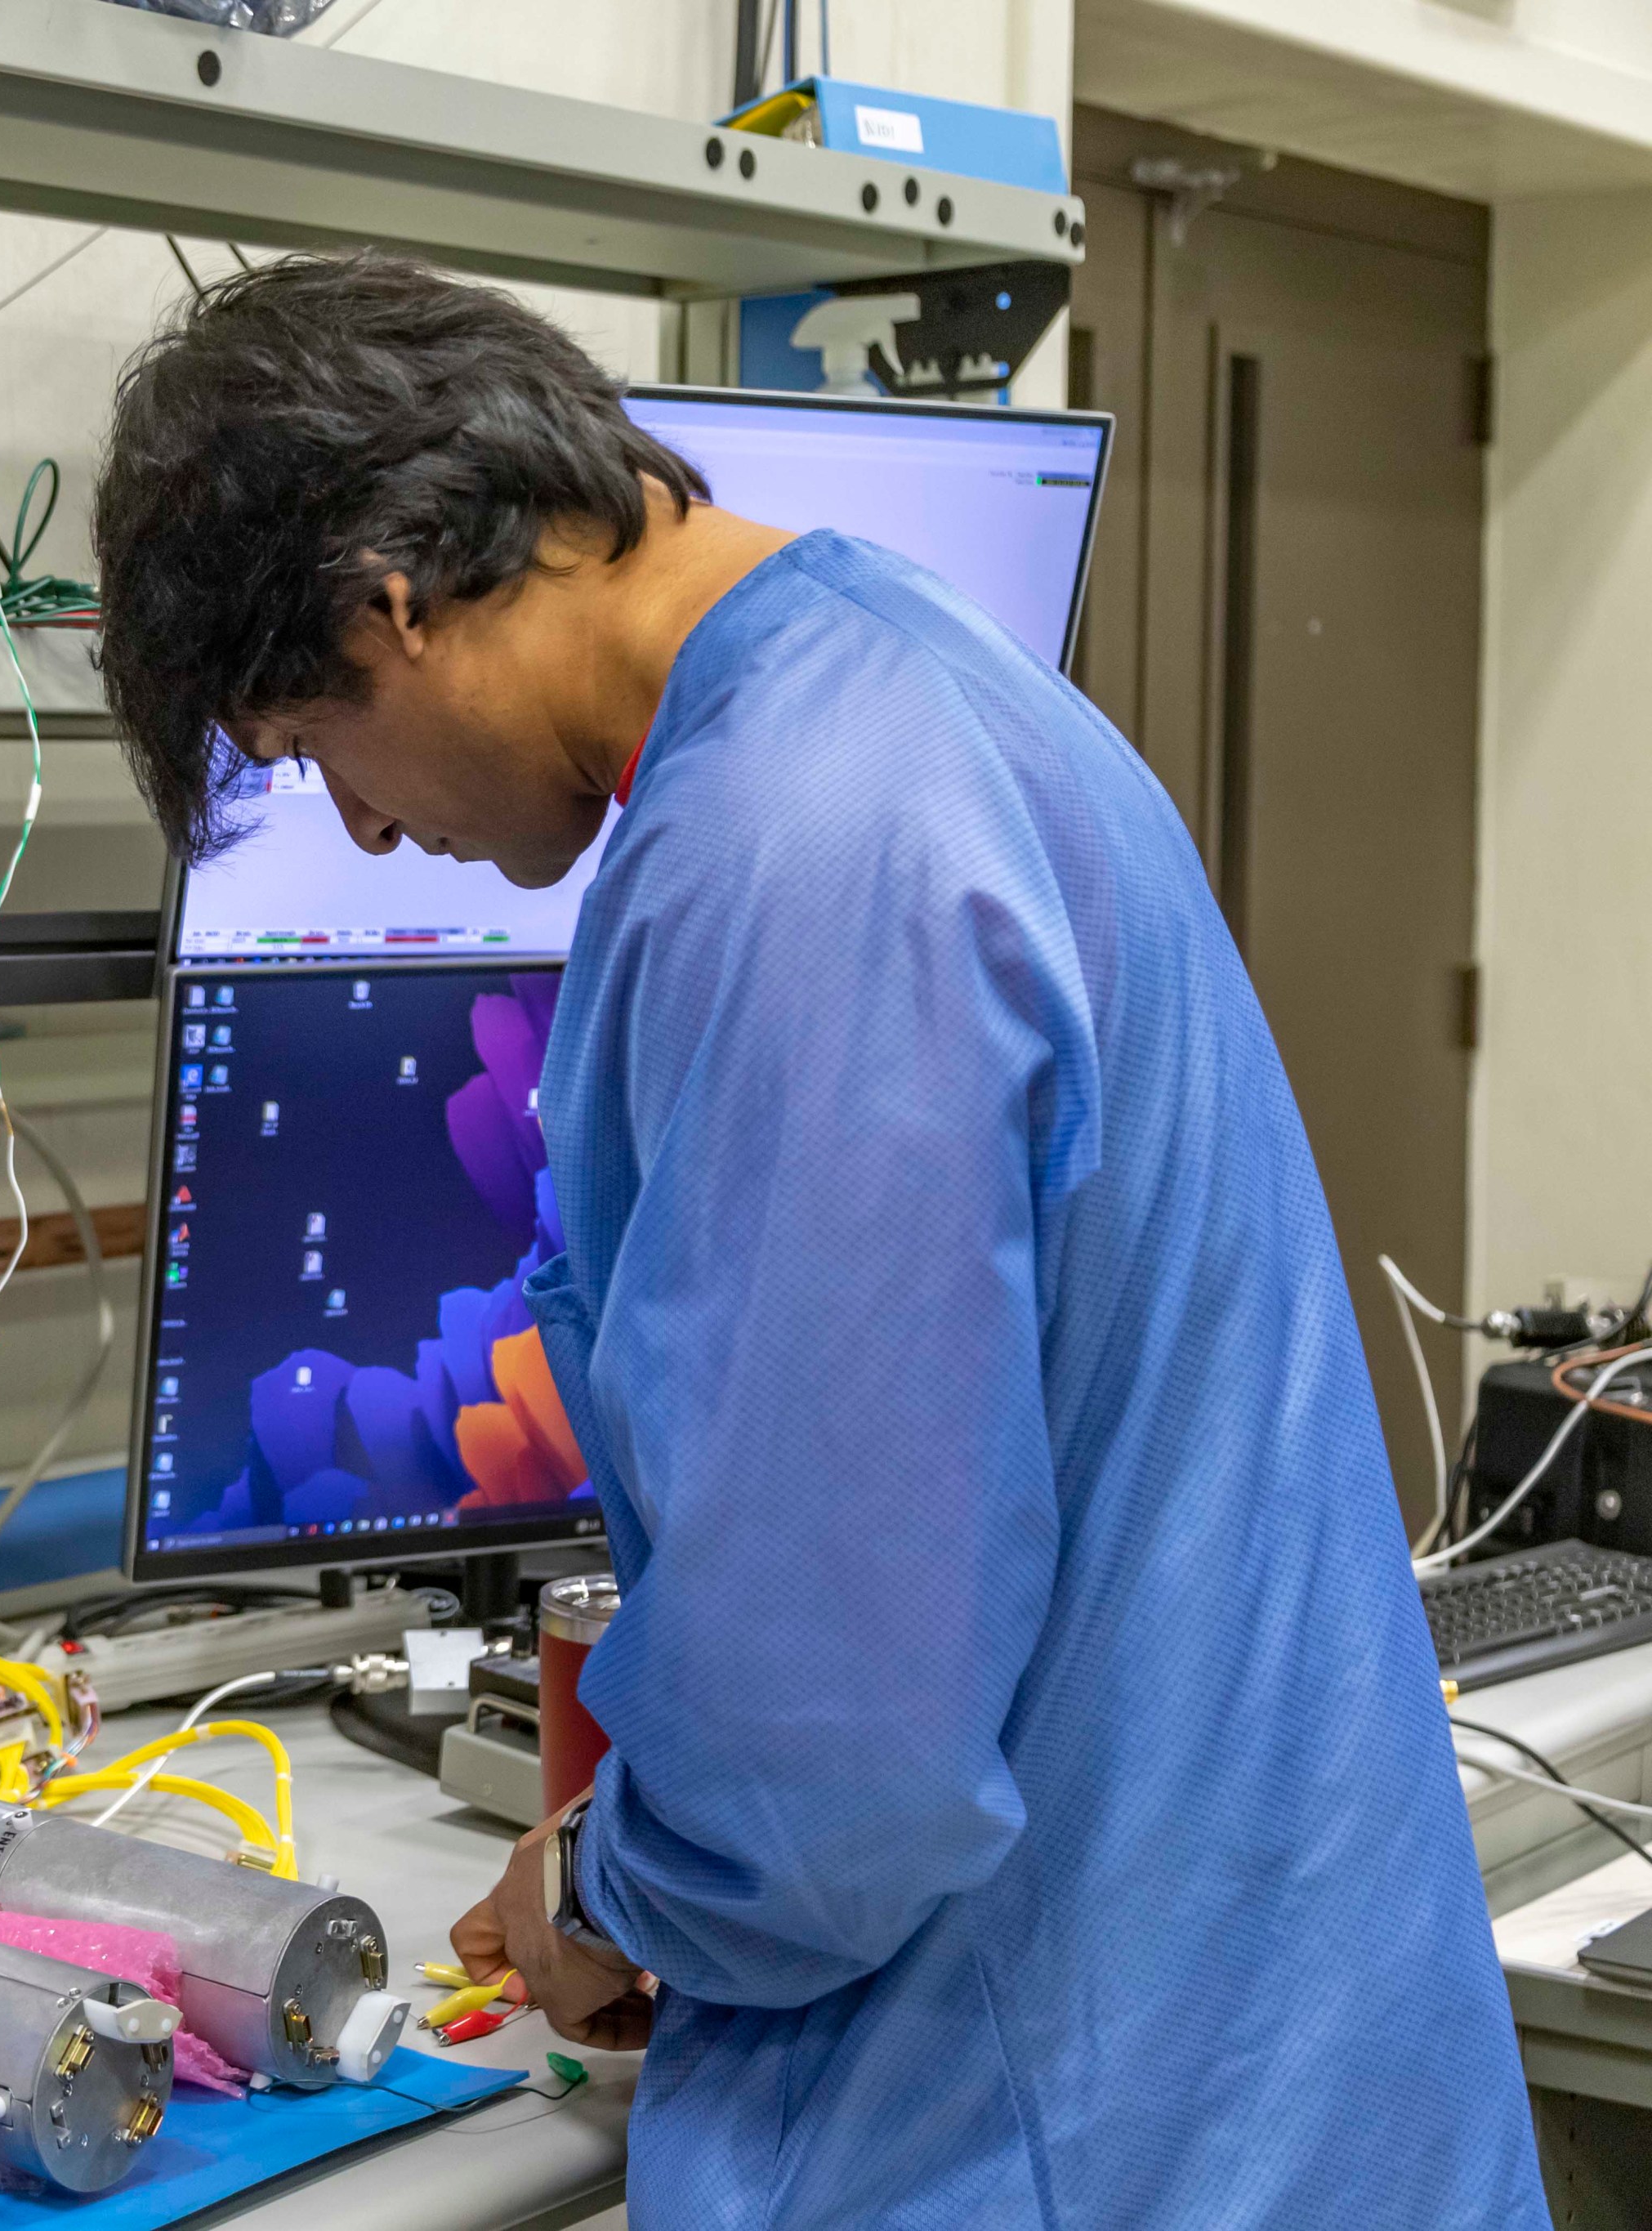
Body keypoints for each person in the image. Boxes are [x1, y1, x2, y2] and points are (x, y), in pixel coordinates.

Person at [89, 253, 1543, 2226]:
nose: (352, 830)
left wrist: (614, 1896)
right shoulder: (907, 679)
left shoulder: (789, 856)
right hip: (1260, 2047)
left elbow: (832, 1757)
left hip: (1063, 2120)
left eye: (303, 749)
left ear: (392, 603)